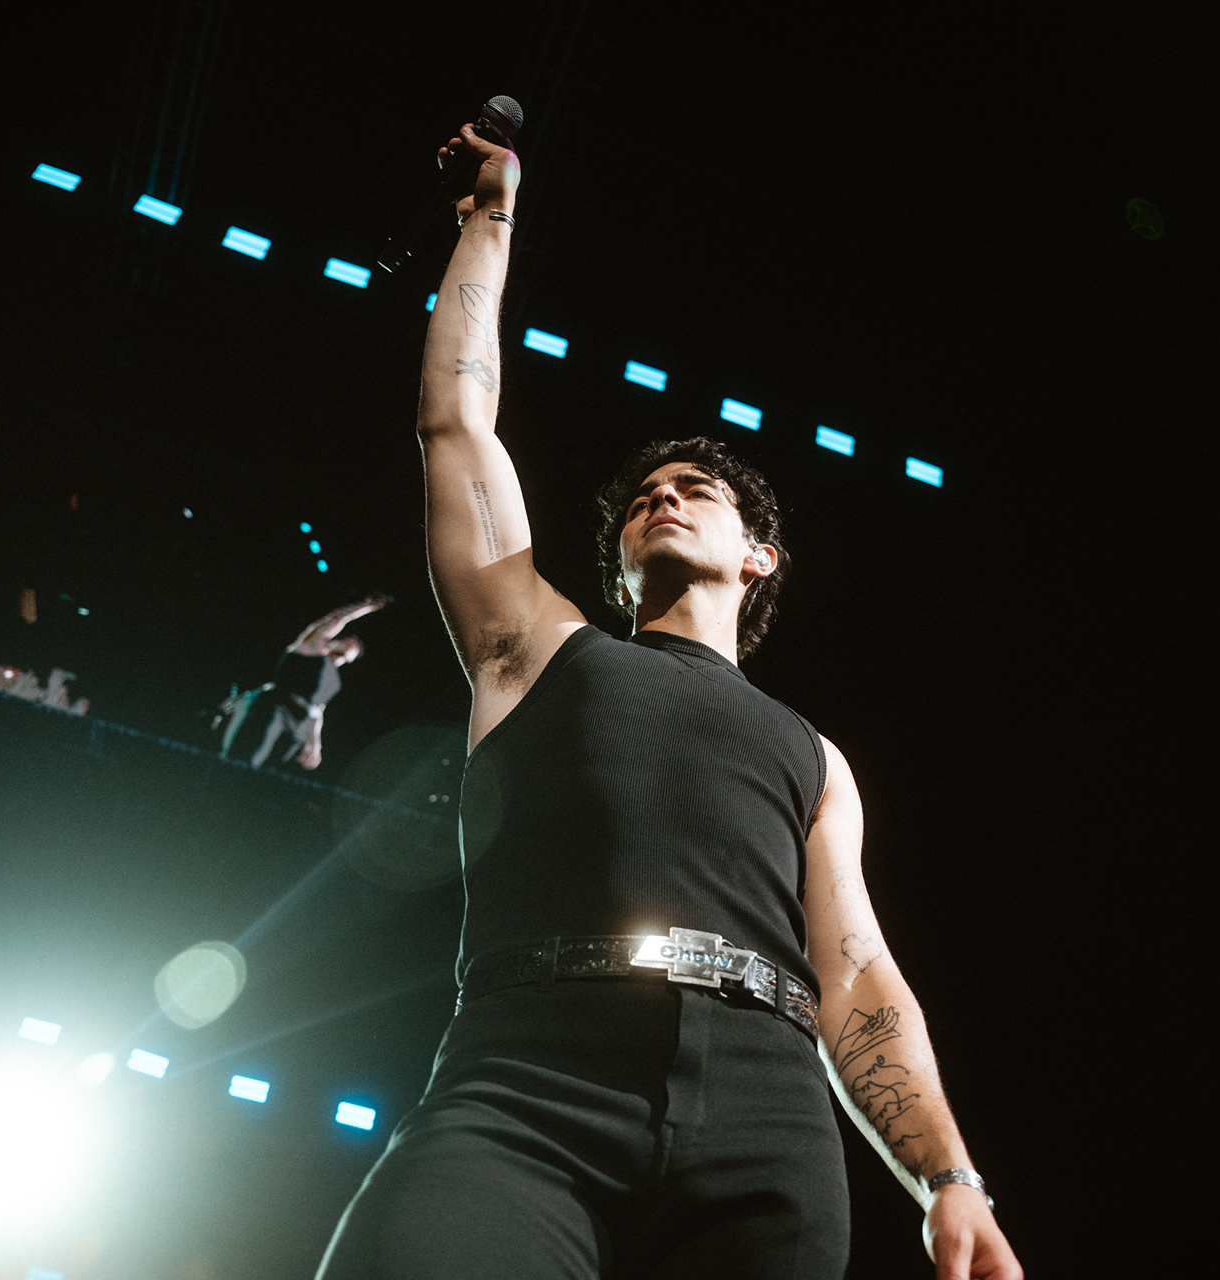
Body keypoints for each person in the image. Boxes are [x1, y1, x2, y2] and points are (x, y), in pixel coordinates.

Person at [314, 127, 1022, 1280]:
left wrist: (950, 1177)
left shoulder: (814, 755)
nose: (664, 496)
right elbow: (457, 421)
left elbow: (857, 969)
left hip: (765, 1112)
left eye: (697, 488)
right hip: (526, 1081)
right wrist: (490, 213)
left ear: (761, 557)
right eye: (645, 493)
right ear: (618, 558)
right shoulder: (535, 647)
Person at [216, 594, 389, 770]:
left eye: (350, 650)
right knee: (245, 758)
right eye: (346, 643)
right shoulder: (310, 649)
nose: (349, 645)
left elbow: (317, 712)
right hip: (271, 710)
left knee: (267, 769)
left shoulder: (333, 683)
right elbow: (335, 619)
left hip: (294, 731)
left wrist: (315, 744)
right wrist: (366, 607)